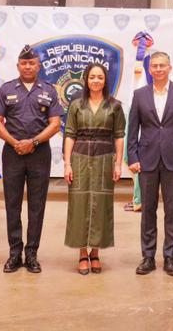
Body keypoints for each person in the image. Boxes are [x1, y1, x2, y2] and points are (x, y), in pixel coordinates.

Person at [0, 45, 62, 273]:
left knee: (37, 206)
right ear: (18, 65)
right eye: (24, 63)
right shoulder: (7, 89)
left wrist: (34, 142)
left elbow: (55, 124)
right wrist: (14, 142)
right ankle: (14, 253)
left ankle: (31, 254)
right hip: (13, 153)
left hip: (39, 153)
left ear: (38, 66)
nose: (28, 66)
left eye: (32, 63)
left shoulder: (49, 90)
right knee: (12, 203)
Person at [127, 50, 173, 276]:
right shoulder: (139, 95)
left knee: (172, 211)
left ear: (169, 68)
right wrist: (133, 157)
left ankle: (169, 257)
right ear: (149, 69)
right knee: (147, 211)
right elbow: (132, 129)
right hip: (146, 161)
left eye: (162, 65)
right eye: (154, 66)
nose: (158, 69)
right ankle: (147, 257)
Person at [63, 63, 125, 275]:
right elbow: (70, 134)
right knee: (79, 204)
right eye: (92, 77)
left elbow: (118, 135)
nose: (96, 80)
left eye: (100, 77)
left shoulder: (114, 106)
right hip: (80, 157)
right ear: (86, 80)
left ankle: (96, 252)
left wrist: (118, 164)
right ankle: (82, 253)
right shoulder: (76, 105)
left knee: (101, 204)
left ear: (105, 80)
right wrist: (67, 163)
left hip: (105, 158)